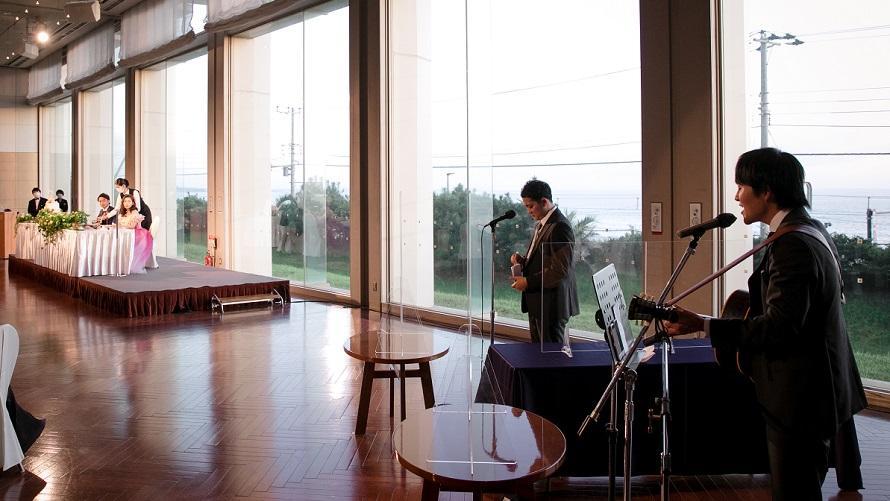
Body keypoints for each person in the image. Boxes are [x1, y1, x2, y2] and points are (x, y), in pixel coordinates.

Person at [664, 148, 867, 500]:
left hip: (800, 400)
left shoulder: (793, 246)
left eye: (741, 187)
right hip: (816, 391)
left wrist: (704, 325)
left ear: (767, 191)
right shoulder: (810, 229)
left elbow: (779, 328)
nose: (736, 196)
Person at [509, 179, 579, 344]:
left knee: (551, 355)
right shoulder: (542, 223)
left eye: (530, 206)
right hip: (539, 302)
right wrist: (522, 261)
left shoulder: (560, 226)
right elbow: (543, 258)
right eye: (526, 207)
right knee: (538, 353)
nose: (528, 211)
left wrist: (527, 282)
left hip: (551, 304)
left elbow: (559, 270)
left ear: (544, 202)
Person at [118, 195, 155, 273]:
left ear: (133, 203)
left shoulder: (134, 212)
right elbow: (119, 224)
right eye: (125, 201)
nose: (126, 203)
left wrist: (122, 224)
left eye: (129, 201)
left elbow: (132, 226)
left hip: (137, 233)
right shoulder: (123, 212)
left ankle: (128, 263)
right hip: (127, 232)